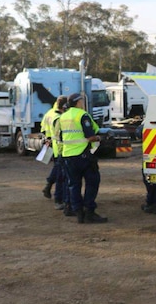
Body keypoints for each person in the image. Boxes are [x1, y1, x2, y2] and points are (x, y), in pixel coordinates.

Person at [59, 93, 107, 224]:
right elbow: (91, 136)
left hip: (68, 155)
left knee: (74, 184)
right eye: (82, 100)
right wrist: (99, 138)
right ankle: (89, 211)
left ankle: (78, 212)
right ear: (78, 102)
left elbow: (61, 136)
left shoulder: (63, 116)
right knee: (92, 182)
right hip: (83, 154)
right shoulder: (82, 115)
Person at [41, 96, 67, 200]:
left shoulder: (49, 113)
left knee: (57, 168)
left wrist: (48, 139)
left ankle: (48, 185)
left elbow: (43, 128)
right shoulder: (59, 116)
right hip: (59, 146)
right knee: (60, 171)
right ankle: (57, 194)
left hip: (51, 143)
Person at [48, 96, 69, 211]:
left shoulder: (53, 115)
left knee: (60, 176)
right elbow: (60, 137)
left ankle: (58, 196)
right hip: (61, 152)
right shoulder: (59, 118)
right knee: (61, 177)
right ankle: (59, 199)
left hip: (59, 151)